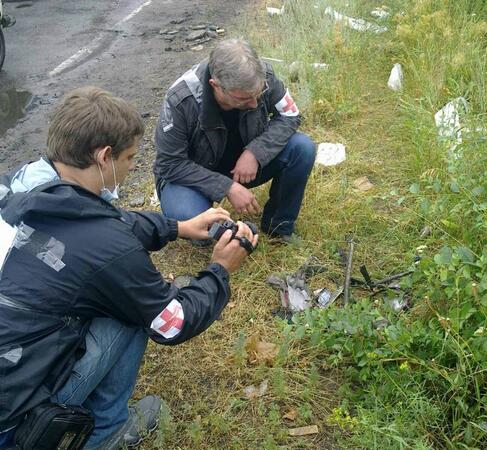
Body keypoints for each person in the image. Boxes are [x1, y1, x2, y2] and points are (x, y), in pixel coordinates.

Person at [0, 87, 258, 450]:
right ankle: (106, 433)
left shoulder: (18, 185)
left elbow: (106, 219)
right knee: (130, 309)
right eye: (131, 157)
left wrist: (178, 227)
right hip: (12, 421)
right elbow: (172, 323)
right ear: (105, 157)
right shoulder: (108, 249)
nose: (134, 166)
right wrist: (219, 269)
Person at [154, 38, 316, 243]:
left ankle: (279, 226)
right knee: (193, 221)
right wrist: (227, 187)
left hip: (243, 165)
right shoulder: (181, 100)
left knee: (302, 147)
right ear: (216, 86)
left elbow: (290, 116)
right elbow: (169, 164)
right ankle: (228, 233)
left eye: (257, 94)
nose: (254, 103)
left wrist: (255, 152)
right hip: (193, 177)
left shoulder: (263, 76)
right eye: (244, 99)